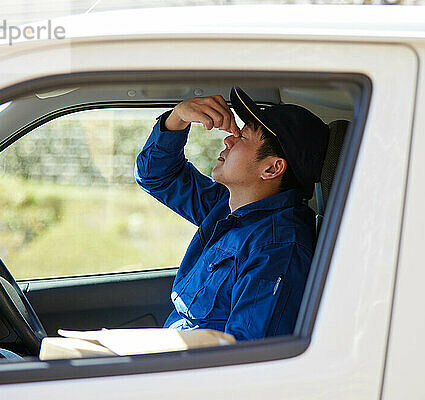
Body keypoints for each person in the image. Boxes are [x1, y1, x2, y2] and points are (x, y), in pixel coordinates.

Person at [135, 86, 329, 341]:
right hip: (174, 349)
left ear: (271, 168)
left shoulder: (277, 249)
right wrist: (178, 118)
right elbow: (156, 177)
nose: (228, 139)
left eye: (244, 137)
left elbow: (245, 354)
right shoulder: (227, 205)